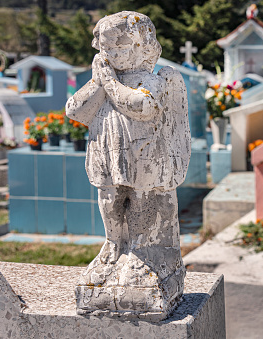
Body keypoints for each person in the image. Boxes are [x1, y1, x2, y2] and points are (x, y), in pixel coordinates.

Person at [66, 11, 190, 314]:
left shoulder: (154, 79)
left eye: (116, 48)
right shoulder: (103, 80)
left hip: (142, 157)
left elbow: (141, 106)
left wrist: (107, 82)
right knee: (110, 199)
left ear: (142, 47)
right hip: (108, 153)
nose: (108, 55)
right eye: (104, 49)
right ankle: (113, 246)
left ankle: (140, 251)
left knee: (139, 201)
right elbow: (74, 110)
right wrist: (100, 82)